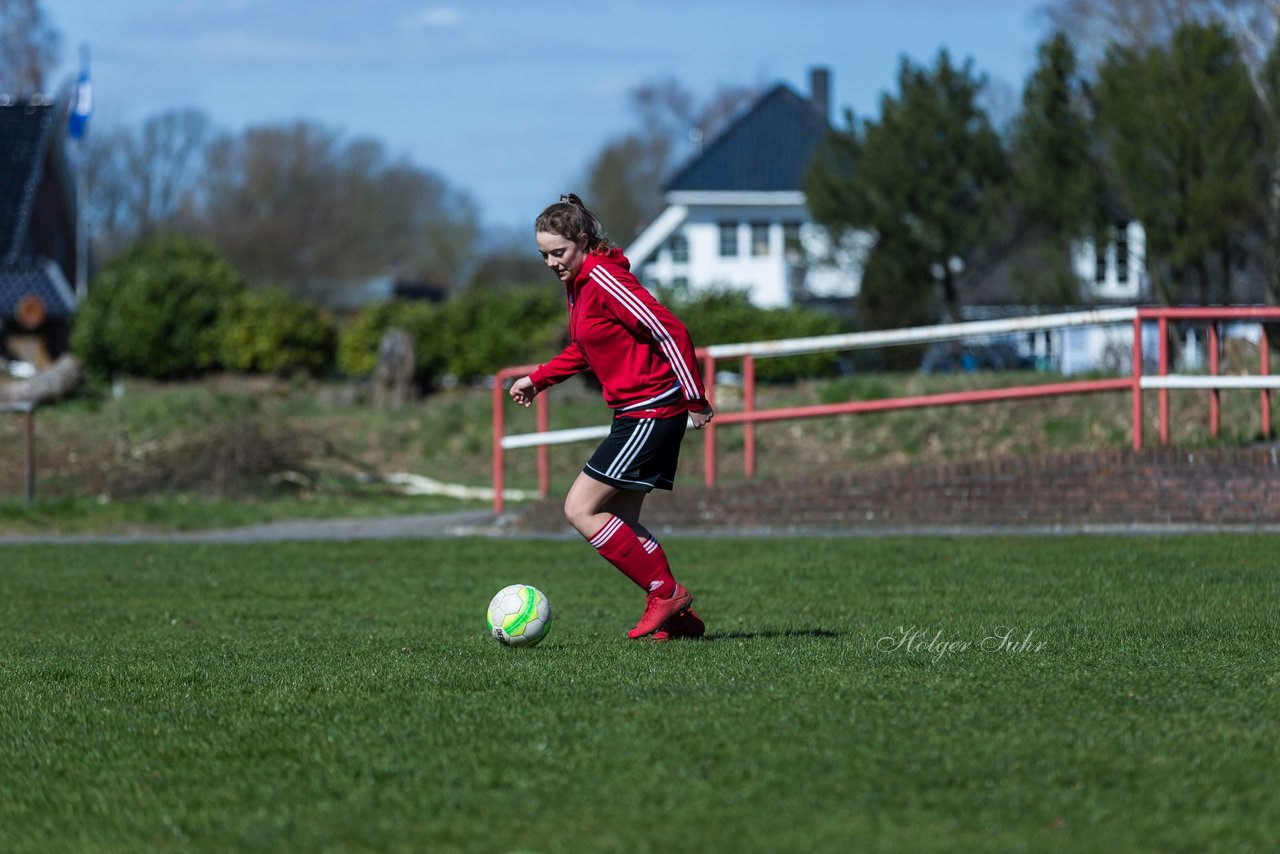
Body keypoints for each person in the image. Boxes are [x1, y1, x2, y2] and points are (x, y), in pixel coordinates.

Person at [509, 194, 714, 641]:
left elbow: (669, 330)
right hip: (634, 413)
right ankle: (680, 620)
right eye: (543, 254)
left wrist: (696, 399)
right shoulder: (578, 282)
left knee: (579, 508)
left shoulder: (602, 278)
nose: (550, 262)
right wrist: (537, 379)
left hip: (652, 411)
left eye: (557, 252)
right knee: (619, 519)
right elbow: (586, 348)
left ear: (582, 241)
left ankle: (666, 594)